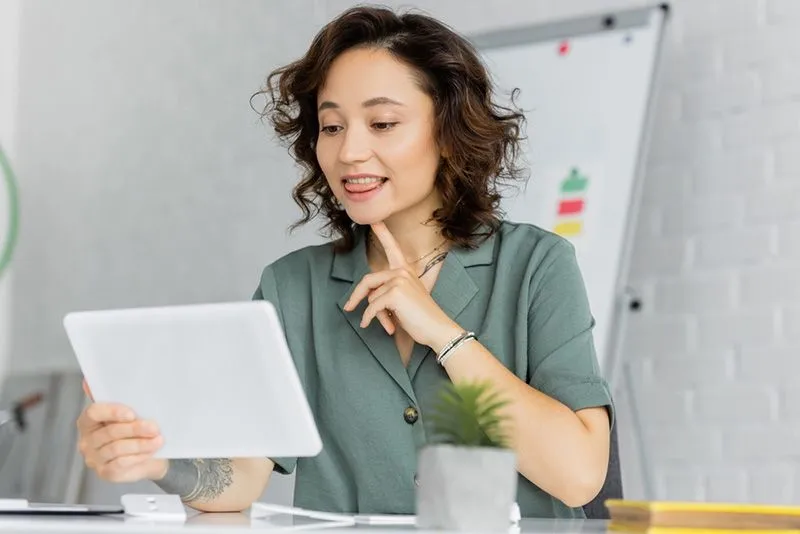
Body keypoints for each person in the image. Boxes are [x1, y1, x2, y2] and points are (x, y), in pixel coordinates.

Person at [75, 5, 614, 518]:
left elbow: (578, 476)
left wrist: (442, 333)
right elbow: (241, 477)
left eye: (381, 124)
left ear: (448, 135)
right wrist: (158, 462)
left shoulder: (538, 264)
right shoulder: (292, 288)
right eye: (332, 127)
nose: (349, 151)